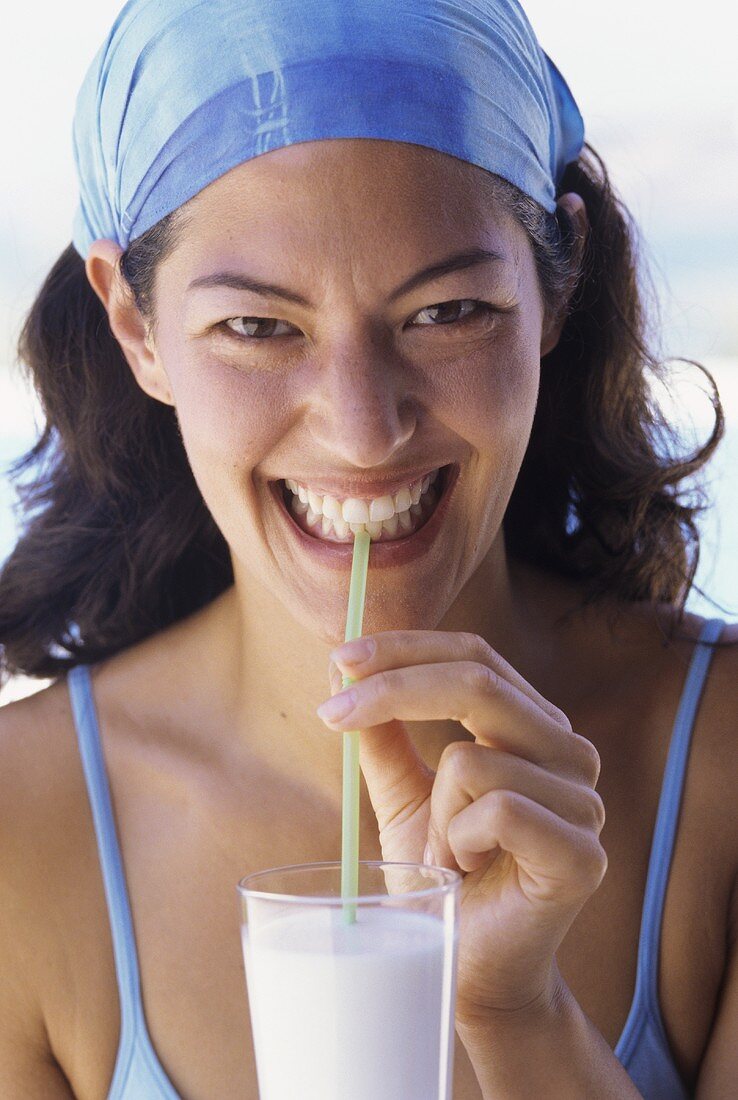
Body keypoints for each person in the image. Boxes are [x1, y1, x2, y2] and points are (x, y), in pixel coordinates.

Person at [0, 0, 735, 1096]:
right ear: (137, 323)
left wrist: (514, 1010)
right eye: (258, 326)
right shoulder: (22, 832)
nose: (361, 427)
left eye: (447, 311)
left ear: (556, 284)